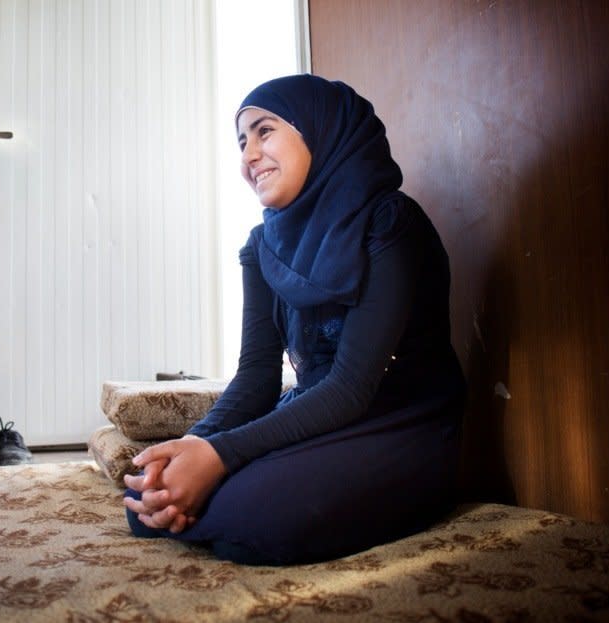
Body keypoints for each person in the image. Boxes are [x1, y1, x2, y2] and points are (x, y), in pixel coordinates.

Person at [123, 74, 466, 565]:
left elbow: (351, 386)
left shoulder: (390, 223)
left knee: (258, 515)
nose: (248, 157)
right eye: (242, 143)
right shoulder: (262, 247)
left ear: (320, 129)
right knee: (148, 497)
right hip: (317, 415)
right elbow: (257, 377)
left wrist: (220, 457)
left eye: (265, 132)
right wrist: (194, 445)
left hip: (404, 422)